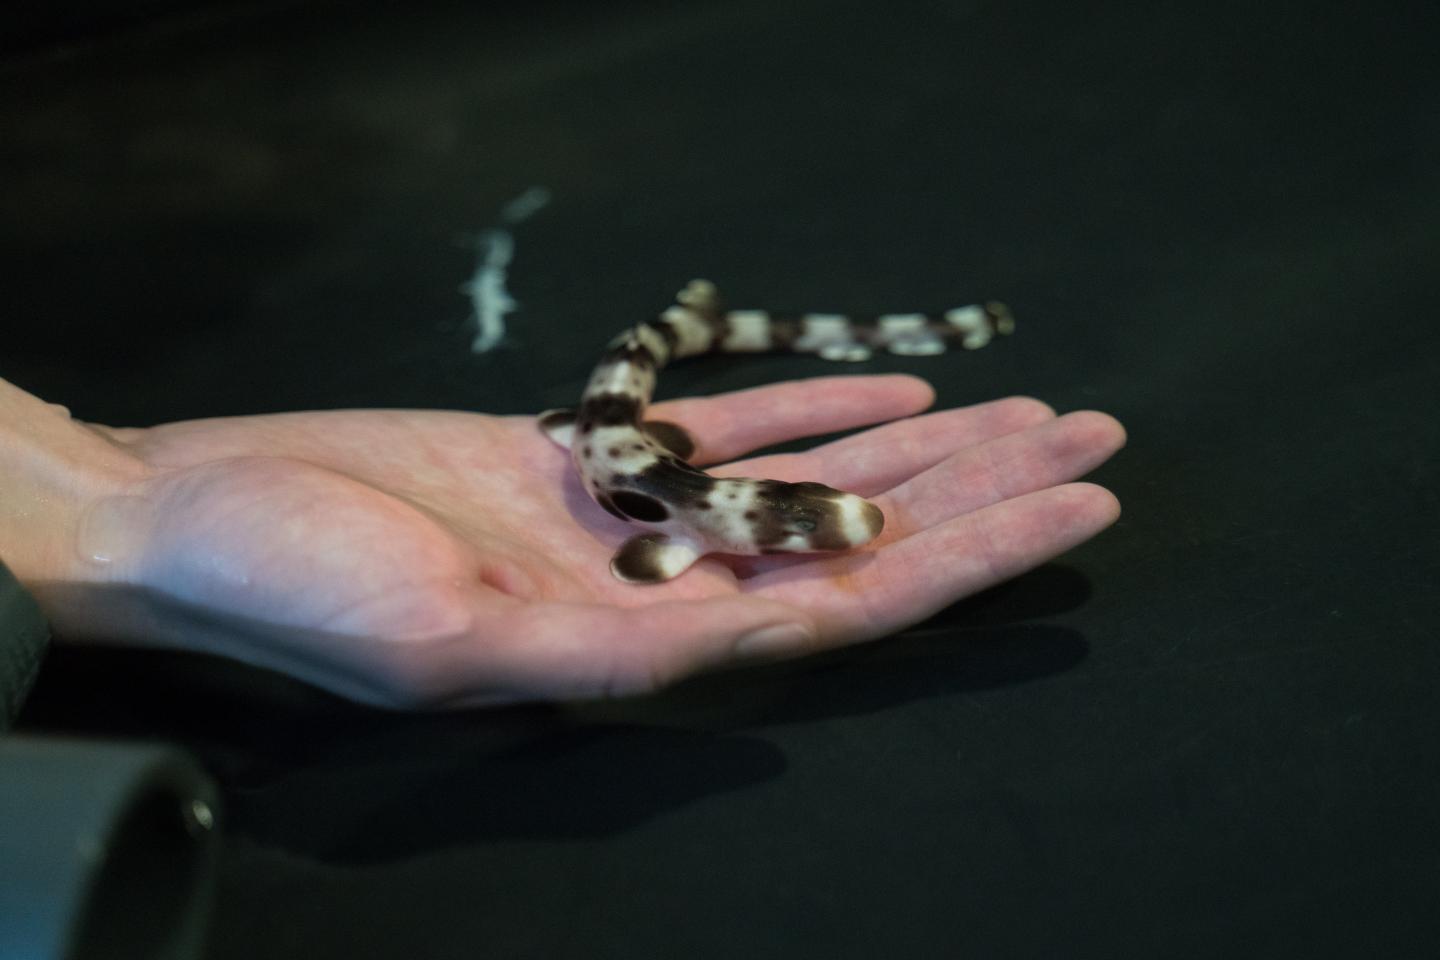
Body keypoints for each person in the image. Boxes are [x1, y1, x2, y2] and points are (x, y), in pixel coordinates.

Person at [0, 373, 1124, 710]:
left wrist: (107, 482)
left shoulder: (694, 515)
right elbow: (660, 543)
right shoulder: (685, 528)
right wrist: (117, 509)